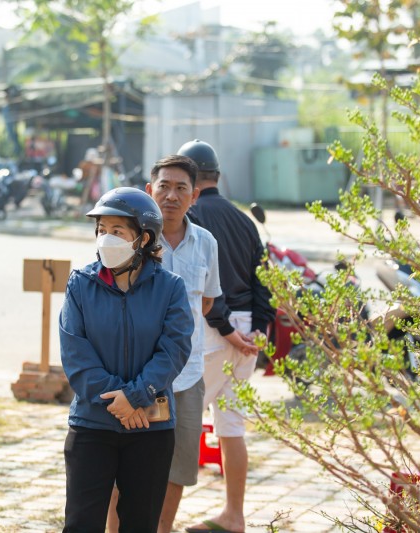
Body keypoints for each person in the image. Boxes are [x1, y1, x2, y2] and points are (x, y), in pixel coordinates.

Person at [59, 187, 194, 532]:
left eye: (117, 231)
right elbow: (76, 355)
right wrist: (117, 400)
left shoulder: (171, 288)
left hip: (151, 426)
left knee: (140, 524)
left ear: (143, 238)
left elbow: (174, 350)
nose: (106, 238)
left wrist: (135, 396)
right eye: (101, 230)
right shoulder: (80, 284)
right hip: (92, 424)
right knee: (81, 523)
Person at [106, 155, 222, 533]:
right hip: (137, 375)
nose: (171, 195)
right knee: (126, 461)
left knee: (178, 464)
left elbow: (205, 302)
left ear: (195, 195)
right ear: (148, 191)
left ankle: (162, 529)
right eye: (164, 186)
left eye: (181, 188)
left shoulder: (205, 243)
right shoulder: (130, 242)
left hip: (186, 378)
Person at [178, 140, 275, 533]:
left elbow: (205, 287)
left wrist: (226, 331)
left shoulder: (191, 217)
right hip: (248, 330)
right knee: (231, 427)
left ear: (190, 177)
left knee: (179, 426)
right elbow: (264, 281)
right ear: (218, 174)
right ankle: (234, 515)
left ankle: (157, 519)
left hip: (216, 331)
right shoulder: (244, 221)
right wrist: (261, 330)